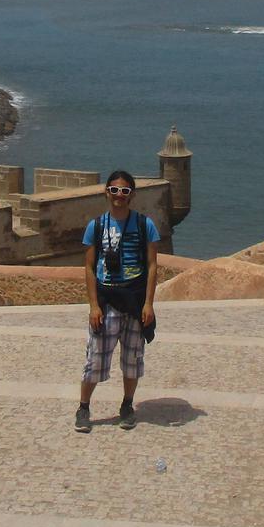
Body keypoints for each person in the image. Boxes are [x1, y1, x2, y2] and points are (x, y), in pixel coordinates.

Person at [75, 170, 160, 432]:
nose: (119, 195)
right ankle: (83, 407)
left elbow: (152, 265)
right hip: (107, 300)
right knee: (95, 359)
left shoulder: (145, 225)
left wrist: (148, 303)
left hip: (134, 301)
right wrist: (93, 306)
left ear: (132, 194)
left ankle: (127, 405)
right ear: (106, 192)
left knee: (132, 360)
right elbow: (89, 267)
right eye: (114, 190)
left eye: (124, 191)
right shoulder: (96, 226)